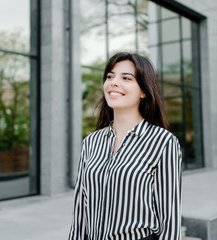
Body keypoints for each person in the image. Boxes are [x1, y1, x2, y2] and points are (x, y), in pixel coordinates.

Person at [68, 52, 182, 240]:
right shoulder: (91, 142)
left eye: (126, 78)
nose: (113, 82)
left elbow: (170, 218)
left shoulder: (163, 142)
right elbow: (80, 209)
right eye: (110, 76)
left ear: (144, 91)